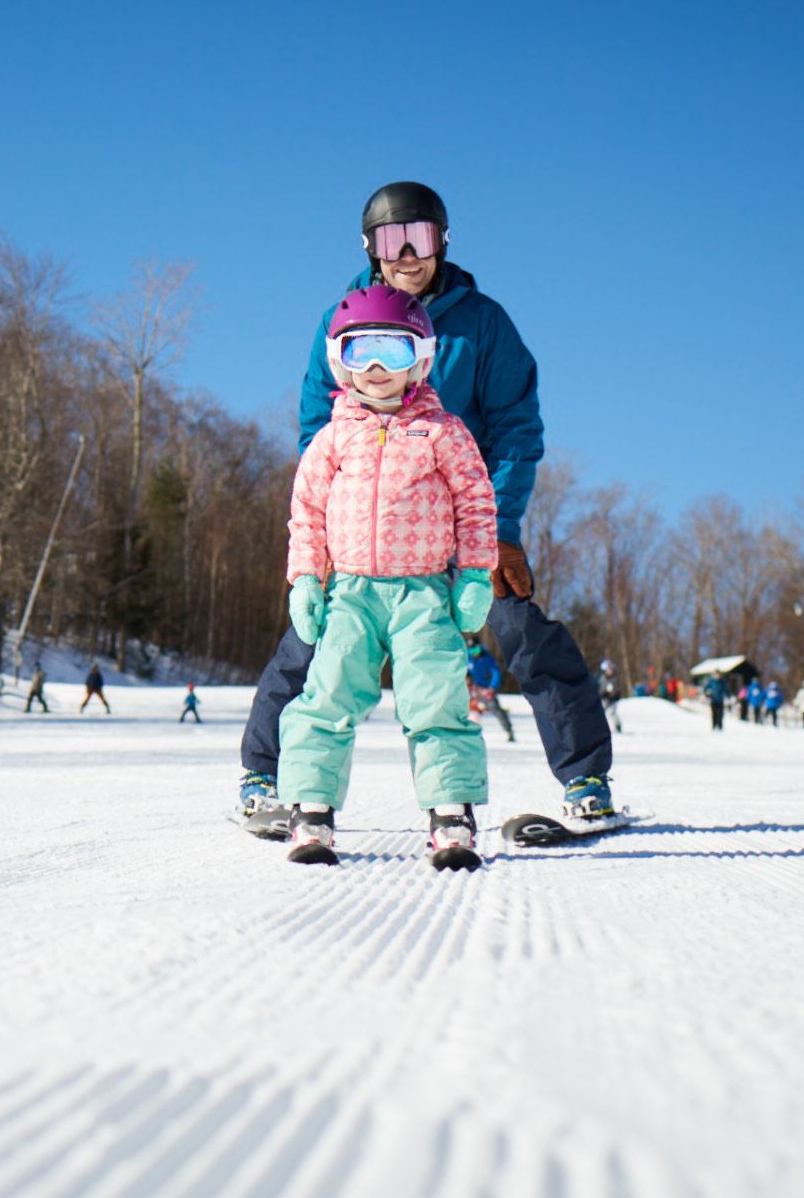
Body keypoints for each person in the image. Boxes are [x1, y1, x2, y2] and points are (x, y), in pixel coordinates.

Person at [238, 182, 622, 840]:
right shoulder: (347, 320)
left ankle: (585, 779)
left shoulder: (483, 323)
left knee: (519, 626)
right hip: (367, 527)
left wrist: (498, 533)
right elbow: (317, 431)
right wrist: (335, 528)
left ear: (444, 241)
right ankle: (264, 777)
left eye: (422, 237)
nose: (408, 254)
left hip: (462, 526)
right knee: (316, 637)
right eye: (392, 240)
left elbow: (516, 429)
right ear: (370, 247)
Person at [275, 283, 497, 869]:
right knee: (327, 695)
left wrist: (476, 572)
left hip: (423, 592)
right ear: (339, 362)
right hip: (349, 591)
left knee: (436, 700)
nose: (375, 369)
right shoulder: (331, 439)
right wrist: (306, 579)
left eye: (392, 353)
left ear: (419, 359)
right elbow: (307, 515)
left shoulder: (444, 433)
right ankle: (312, 810)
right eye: (359, 352)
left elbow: (476, 504)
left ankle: (450, 812)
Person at [467, 642, 515, 742]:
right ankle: (470, 736)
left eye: (476, 650)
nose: (474, 653)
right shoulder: (468, 657)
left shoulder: (487, 658)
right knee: (469, 712)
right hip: (472, 689)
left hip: (485, 690)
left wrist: (492, 687)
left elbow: (496, 673)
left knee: (496, 709)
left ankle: (508, 731)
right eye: (471, 651)